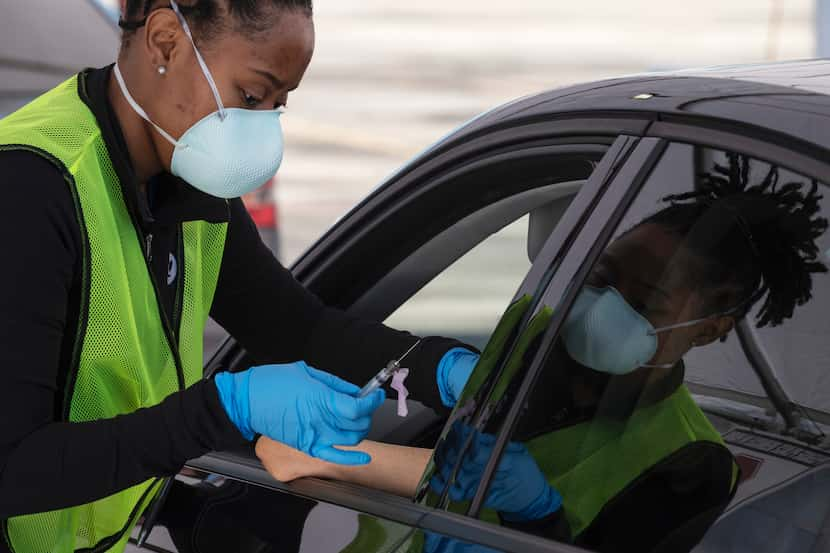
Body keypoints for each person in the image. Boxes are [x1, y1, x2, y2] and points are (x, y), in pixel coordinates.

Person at [0, 1, 479, 552]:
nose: (261, 128)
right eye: (251, 97)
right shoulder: (32, 189)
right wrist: (225, 407)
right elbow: (13, 466)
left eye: (279, 105)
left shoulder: (189, 181)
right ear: (164, 41)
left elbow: (298, 329)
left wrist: (440, 368)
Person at [261, 154, 829, 553]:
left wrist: (340, 457)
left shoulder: (692, 465)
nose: (605, 304)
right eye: (603, 275)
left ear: (709, 329)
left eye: (646, 299)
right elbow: (415, 374)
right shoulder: (537, 338)